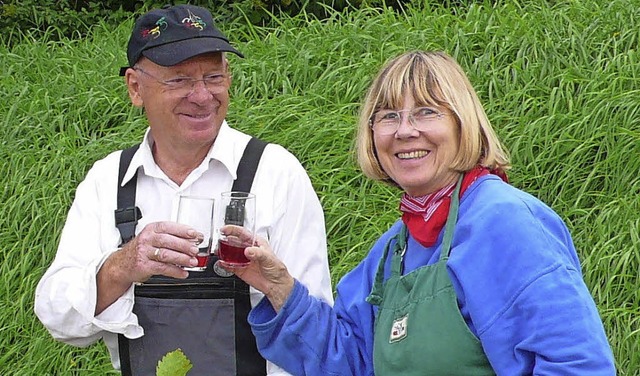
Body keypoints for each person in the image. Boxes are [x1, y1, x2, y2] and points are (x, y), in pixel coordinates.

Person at [223, 51, 617, 375]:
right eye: (389, 116)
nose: (405, 131)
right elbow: (352, 362)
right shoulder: (393, 250)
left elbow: (578, 365)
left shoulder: (506, 223)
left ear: (464, 125)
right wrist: (278, 288)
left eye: (427, 112)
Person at [34, 4, 333, 376]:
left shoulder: (276, 173)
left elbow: (317, 334)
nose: (203, 95)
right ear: (135, 87)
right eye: (179, 80)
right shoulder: (108, 180)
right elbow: (57, 319)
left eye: (213, 76)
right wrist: (122, 266)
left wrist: (278, 287)